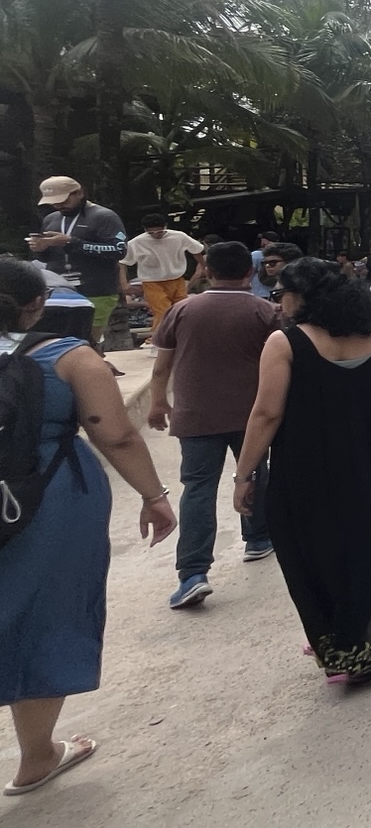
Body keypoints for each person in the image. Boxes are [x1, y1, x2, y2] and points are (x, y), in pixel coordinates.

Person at [0, 257, 175, 795]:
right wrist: (154, 495)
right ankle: (36, 757)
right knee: (44, 614)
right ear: (37, 305)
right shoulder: (68, 356)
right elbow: (115, 434)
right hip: (48, 500)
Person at [232, 258, 371, 685]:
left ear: (301, 296)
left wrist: (244, 475)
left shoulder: (286, 343)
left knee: (321, 551)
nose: (278, 303)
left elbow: (266, 414)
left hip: (312, 471)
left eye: (281, 294)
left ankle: (342, 641)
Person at [144, 239, 282, 608]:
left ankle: (192, 572)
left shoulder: (181, 310)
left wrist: (159, 402)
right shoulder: (266, 312)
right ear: (250, 272)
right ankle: (257, 538)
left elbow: (162, 365)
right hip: (252, 415)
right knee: (255, 473)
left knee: (198, 488)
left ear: (206, 270)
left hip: (195, 415)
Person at [26, 176, 127, 343]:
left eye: (63, 200)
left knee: (88, 342)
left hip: (95, 290)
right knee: (59, 341)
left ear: (79, 193)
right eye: (53, 202)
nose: (58, 205)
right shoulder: (51, 219)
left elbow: (119, 250)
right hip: (58, 289)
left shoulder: (104, 216)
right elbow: (49, 256)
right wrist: (41, 249)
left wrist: (72, 242)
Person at [121, 213, 205, 327]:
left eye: (159, 232)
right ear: (145, 230)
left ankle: (180, 336)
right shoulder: (137, 242)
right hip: (152, 282)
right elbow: (122, 262)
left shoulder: (178, 236)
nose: (156, 236)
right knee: (163, 312)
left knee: (181, 311)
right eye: (151, 233)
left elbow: (196, 250)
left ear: (165, 227)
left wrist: (203, 267)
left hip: (176, 279)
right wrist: (124, 283)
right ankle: (159, 339)